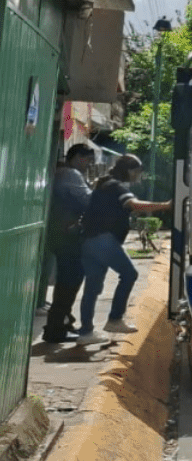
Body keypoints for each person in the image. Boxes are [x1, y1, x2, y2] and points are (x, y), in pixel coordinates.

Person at [75, 155, 171, 346]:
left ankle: (86, 333)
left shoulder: (105, 184)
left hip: (89, 240)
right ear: (129, 171)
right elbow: (134, 205)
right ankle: (115, 319)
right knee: (129, 274)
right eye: (138, 172)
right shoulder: (116, 187)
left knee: (91, 288)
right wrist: (166, 206)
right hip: (103, 240)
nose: (139, 176)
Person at [40, 144, 95, 343]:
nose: (89, 165)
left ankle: (63, 322)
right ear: (78, 157)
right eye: (88, 160)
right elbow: (88, 200)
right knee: (70, 281)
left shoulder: (62, 172)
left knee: (68, 280)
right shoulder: (71, 174)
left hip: (61, 235)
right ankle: (56, 328)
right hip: (67, 237)